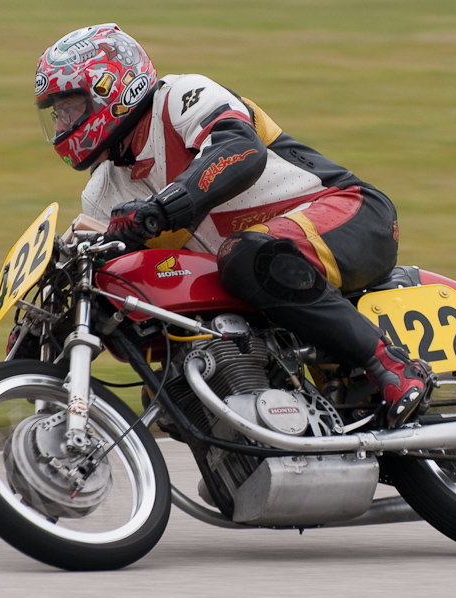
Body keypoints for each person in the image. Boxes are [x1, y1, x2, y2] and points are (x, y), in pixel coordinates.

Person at [34, 24, 430, 428]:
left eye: (70, 107)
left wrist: (161, 208)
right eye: (56, 114)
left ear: (112, 90)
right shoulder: (101, 193)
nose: (62, 125)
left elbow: (239, 149)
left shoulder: (181, 97)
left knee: (246, 255)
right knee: (169, 381)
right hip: (263, 269)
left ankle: (391, 365)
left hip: (350, 213)